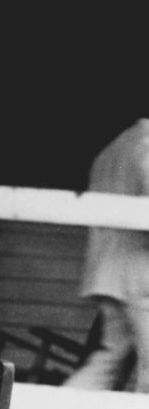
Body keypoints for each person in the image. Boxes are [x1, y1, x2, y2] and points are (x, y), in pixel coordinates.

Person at [64, 118, 149, 392]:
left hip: (106, 272)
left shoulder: (109, 151)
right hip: (137, 272)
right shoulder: (145, 146)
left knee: (109, 359)